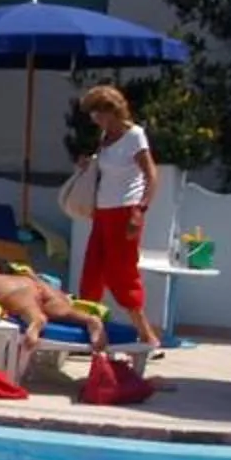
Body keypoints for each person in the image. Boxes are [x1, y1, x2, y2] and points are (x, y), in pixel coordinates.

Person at [72, 85, 162, 348]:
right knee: (93, 271)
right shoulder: (106, 137)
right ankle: (93, 332)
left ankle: (147, 335)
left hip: (125, 210)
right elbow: (108, 170)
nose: (94, 118)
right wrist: (88, 163)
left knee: (121, 274)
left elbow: (151, 175)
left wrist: (141, 209)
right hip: (103, 211)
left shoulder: (134, 135)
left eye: (97, 112)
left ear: (111, 110)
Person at [0, 264, 106, 361]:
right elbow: (59, 296)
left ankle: (36, 320)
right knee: (59, 309)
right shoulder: (23, 276)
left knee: (26, 305)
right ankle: (88, 319)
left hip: (20, 292)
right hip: (39, 286)